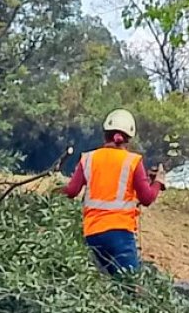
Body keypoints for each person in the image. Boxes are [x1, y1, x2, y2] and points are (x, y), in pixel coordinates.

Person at [63, 108, 165, 276]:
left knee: (105, 285)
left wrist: (53, 193)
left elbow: (72, 190)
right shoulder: (133, 161)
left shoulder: (88, 158)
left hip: (92, 234)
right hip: (120, 234)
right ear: (128, 138)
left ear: (105, 134)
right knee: (130, 286)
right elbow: (146, 198)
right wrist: (158, 183)